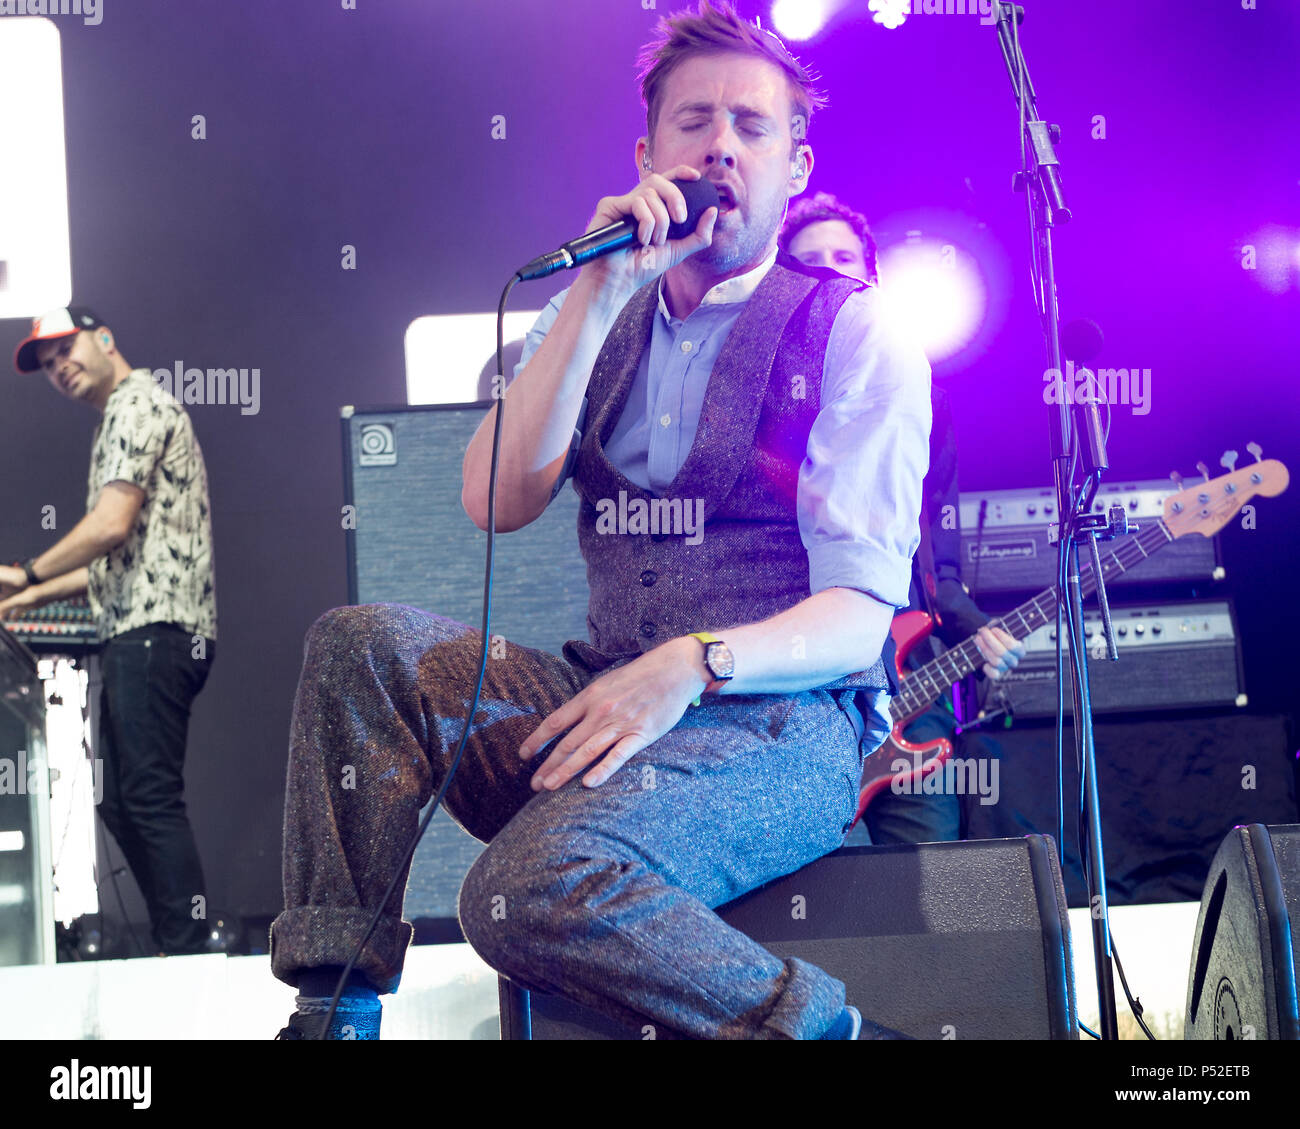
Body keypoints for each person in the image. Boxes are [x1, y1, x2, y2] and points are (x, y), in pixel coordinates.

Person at [271, 1, 929, 1041]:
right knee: (360, 646)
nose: (721, 144)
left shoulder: (851, 330)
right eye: (694, 121)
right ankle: (333, 1007)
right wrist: (596, 286)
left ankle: (825, 1032)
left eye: (752, 127)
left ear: (794, 165)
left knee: (510, 890)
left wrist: (691, 664)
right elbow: (495, 498)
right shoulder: (598, 304)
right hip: (599, 703)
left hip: (780, 729)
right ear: (647, 152)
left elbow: (858, 617)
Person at [781, 193, 1025, 844]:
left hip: (906, 682)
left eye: (844, 258)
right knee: (792, 885)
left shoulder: (922, 401)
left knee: (928, 879)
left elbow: (934, 568)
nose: (830, 271)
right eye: (807, 262)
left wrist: (978, 631)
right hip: (790, 688)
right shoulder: (762, 403)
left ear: (872, 277)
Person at [0, 307, 216, 955]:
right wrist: (24, 594)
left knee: (146, 795)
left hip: (157, 628)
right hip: (138, 626)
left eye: (63, 349)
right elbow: (109, 555)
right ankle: (177, 940)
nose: (58, 367)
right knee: (121, 800)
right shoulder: (119, 415)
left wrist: (24, 571)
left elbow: (109, 526)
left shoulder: (136, 404)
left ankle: (185, 950)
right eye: (45, 364)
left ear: (104, 338)